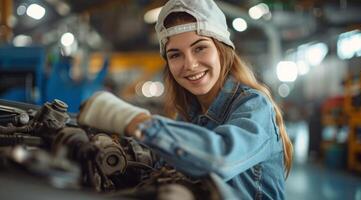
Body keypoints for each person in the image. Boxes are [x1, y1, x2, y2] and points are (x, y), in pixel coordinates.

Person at [78, 0, 293, 199]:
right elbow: (164, 165)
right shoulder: (190, 113)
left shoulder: (254, 106)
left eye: (200, 48)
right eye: (175, 55)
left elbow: (220, 156)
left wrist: (132, 120)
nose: (189, 64)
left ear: (222, 50)